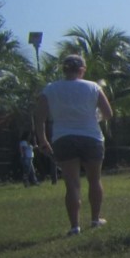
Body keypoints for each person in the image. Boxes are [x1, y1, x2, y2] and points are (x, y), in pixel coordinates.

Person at [34, 54, 113, 235]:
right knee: (94, 180)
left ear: (64, 69)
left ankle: (75, 226)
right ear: (82, 70)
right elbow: (108, 113)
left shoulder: (51, 89)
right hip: (91, 137)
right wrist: (95, 118)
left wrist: (42, 140)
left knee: (72, 184)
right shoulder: (93, 87)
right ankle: (95, 219)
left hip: (64, 138)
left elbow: (40, 118)